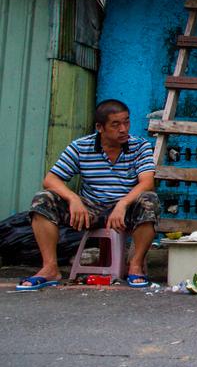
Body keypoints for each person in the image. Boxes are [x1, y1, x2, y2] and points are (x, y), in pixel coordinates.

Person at [16, 99, 161, 290]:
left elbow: (147, 182)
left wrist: (123, 204)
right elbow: (51, 179)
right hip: (90, 208)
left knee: (149, 199)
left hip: (124, 210)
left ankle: (134, 266)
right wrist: (73, 198)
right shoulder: (80, 147)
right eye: (115, 124)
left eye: (126, 122)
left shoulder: (139, 146)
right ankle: (50, 268)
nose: (123, 129)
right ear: (100, 127)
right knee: (43, 199)